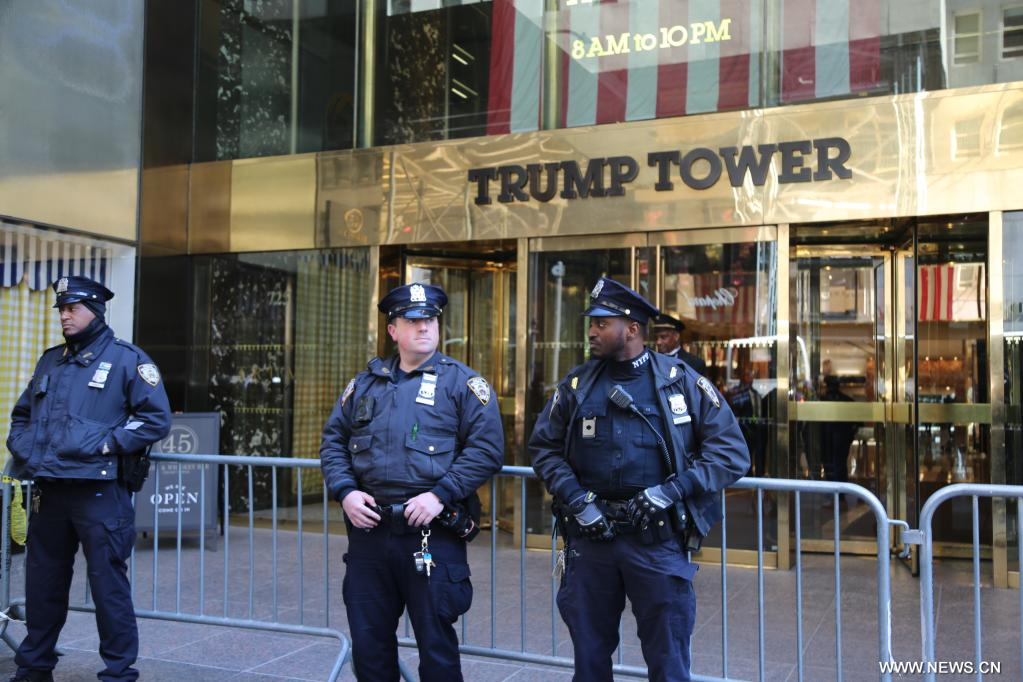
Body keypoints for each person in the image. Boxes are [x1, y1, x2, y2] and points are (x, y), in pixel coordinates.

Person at [529, 277, 750, 682]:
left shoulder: (680, 381)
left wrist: (673, 490)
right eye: (591, 323)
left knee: (668, 660)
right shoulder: (577, 385)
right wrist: (575, 498)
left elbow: (732, 454)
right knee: (589, 659)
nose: (592, 331)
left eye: (602, 323)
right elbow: (544, 448)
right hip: (591, 541)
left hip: (656, 543)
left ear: (631, 329)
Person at [320, 282, 504, 682]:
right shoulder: (365, 384)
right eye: (413, 320)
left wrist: (440, 495)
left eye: (431, 320)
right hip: (370, 533)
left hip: (431, 533)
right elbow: (333, 442)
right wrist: (346, 492)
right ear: (393, 330)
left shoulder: (462, 384)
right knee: (369, 649)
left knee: (437, 652)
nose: (424, 327)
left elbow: (488, 450)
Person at [6, 276, 172, 682]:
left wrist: (108, 444)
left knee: (107, 588)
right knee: (42, 587)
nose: (64, 316)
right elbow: (22, 417)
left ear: (95, 311)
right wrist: (29, 452)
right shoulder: (51, 360)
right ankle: (33, 668)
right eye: (61, 309)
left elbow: (155, 419)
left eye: (72, 308)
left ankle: (118, 673)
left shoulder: (128, 360)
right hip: (50, 491)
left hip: (99, 493)